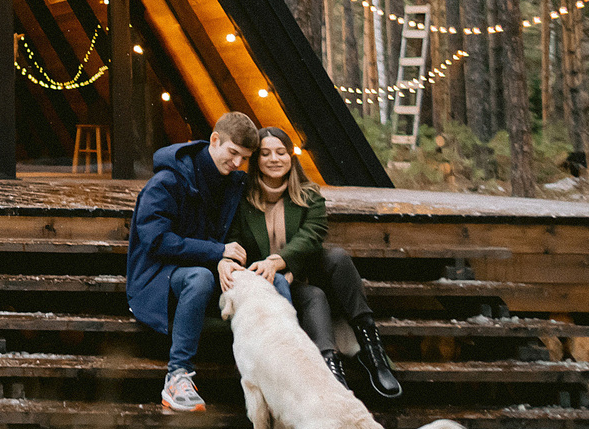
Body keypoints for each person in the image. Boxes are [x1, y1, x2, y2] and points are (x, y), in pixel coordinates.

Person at [231, 126, 401, 398]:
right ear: (256, 160)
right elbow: (238, 243)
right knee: (314, 296)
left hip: (305, 270)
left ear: (291, 156)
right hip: (268, 282)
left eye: (281, 152)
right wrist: (273, 271)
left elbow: (313, 236)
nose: (274, 159)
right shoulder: (242, 197)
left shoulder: (309, 194)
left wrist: (283, 262)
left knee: (337, 257)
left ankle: (373, 353)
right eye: (265, 154)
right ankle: (333, 376)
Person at [126, 112, 260, 412]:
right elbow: (156, 240)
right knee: (199, 277)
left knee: (270, 281)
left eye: (245, 158)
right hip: (158, 279)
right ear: (215, 140)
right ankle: (177, 376)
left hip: (209, 274)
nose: (238, 163)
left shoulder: (234, 183)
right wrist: (217, 253)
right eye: (233, 153)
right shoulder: (167, 180)